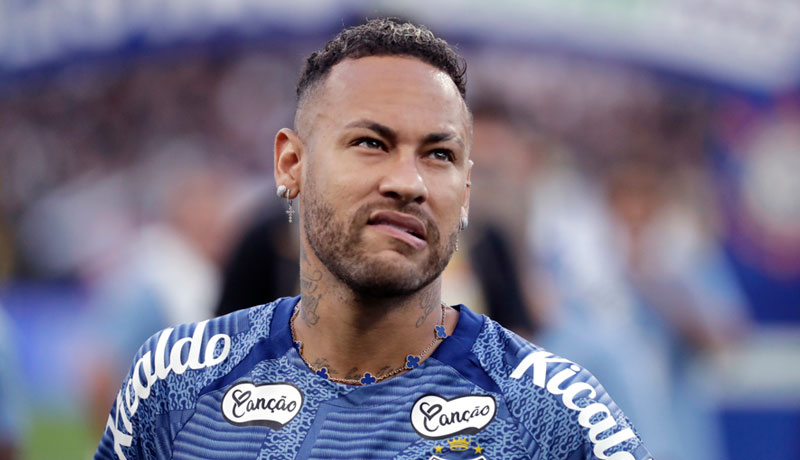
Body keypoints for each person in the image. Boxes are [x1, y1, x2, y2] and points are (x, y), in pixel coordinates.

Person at [95, 18, 652, 460]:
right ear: (291, 163)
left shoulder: (555, 417)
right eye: (370, 143)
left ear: (465, 191)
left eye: (439, 154)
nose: (408, 183)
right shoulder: (174, 386)